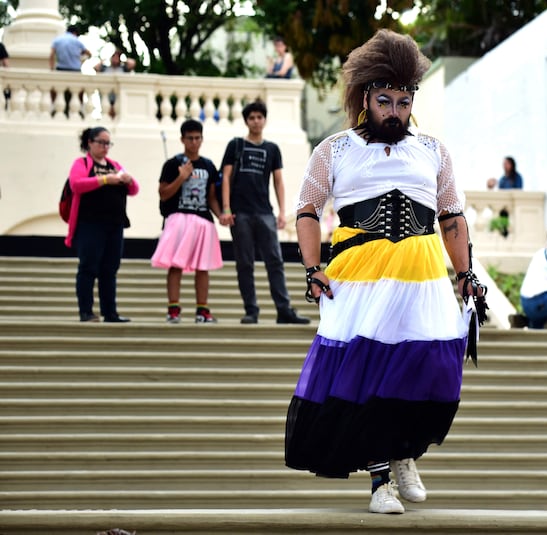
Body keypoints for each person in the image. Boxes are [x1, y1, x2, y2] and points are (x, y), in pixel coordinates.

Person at [284, 29, 487, 515]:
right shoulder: (335, 149)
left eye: (402, 100)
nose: (394, 110)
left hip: (422, 276)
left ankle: (403, 453)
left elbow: (451, 216)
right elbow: (308, 209)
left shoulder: (432, 150)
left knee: (428, 367)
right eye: (384, 101)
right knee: (365, 371)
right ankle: (379, 483)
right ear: (365, 99)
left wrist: (466, 275)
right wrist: (313, 268)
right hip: (359, 275)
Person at [218, 99, 309, 325]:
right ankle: (251, 310)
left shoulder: (272, 149)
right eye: (252, 118)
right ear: (246, 121)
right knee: (245, 263)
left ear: (264, 120)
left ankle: (284, 309)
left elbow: (278, 181)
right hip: (241, 213)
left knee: (275, 262)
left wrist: (281, 212)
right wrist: (226, 208)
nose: (256, 121)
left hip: (265, 212)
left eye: (259, 117)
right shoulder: (236, 145)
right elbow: (226, 178)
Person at [151, 119, 223, 324]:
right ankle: (173, 309)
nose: (193, 142)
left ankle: (203, 310)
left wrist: (221, 216)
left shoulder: (208, 165)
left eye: (197, 138)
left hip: (203, 219)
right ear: (182, 139)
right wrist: (181, 177)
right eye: (189, 138)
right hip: (179, 218)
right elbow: (163, 194)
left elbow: (211, 198)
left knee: (203, 266)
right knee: (176, 264)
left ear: (202, 139)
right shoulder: (173, 164)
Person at [65, 127, 139, 322]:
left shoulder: (114, 164)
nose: (105, 147)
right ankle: (86, 311)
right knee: (89, 266)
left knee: (110, 268)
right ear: (90, 142)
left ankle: (110, 311)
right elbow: (77, 184)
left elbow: (134, 190)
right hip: (90, 223)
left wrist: (128, 180)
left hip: (114, 223)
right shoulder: (81, 163)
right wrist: (105, 180)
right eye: (101, 142)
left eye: (108, 143)